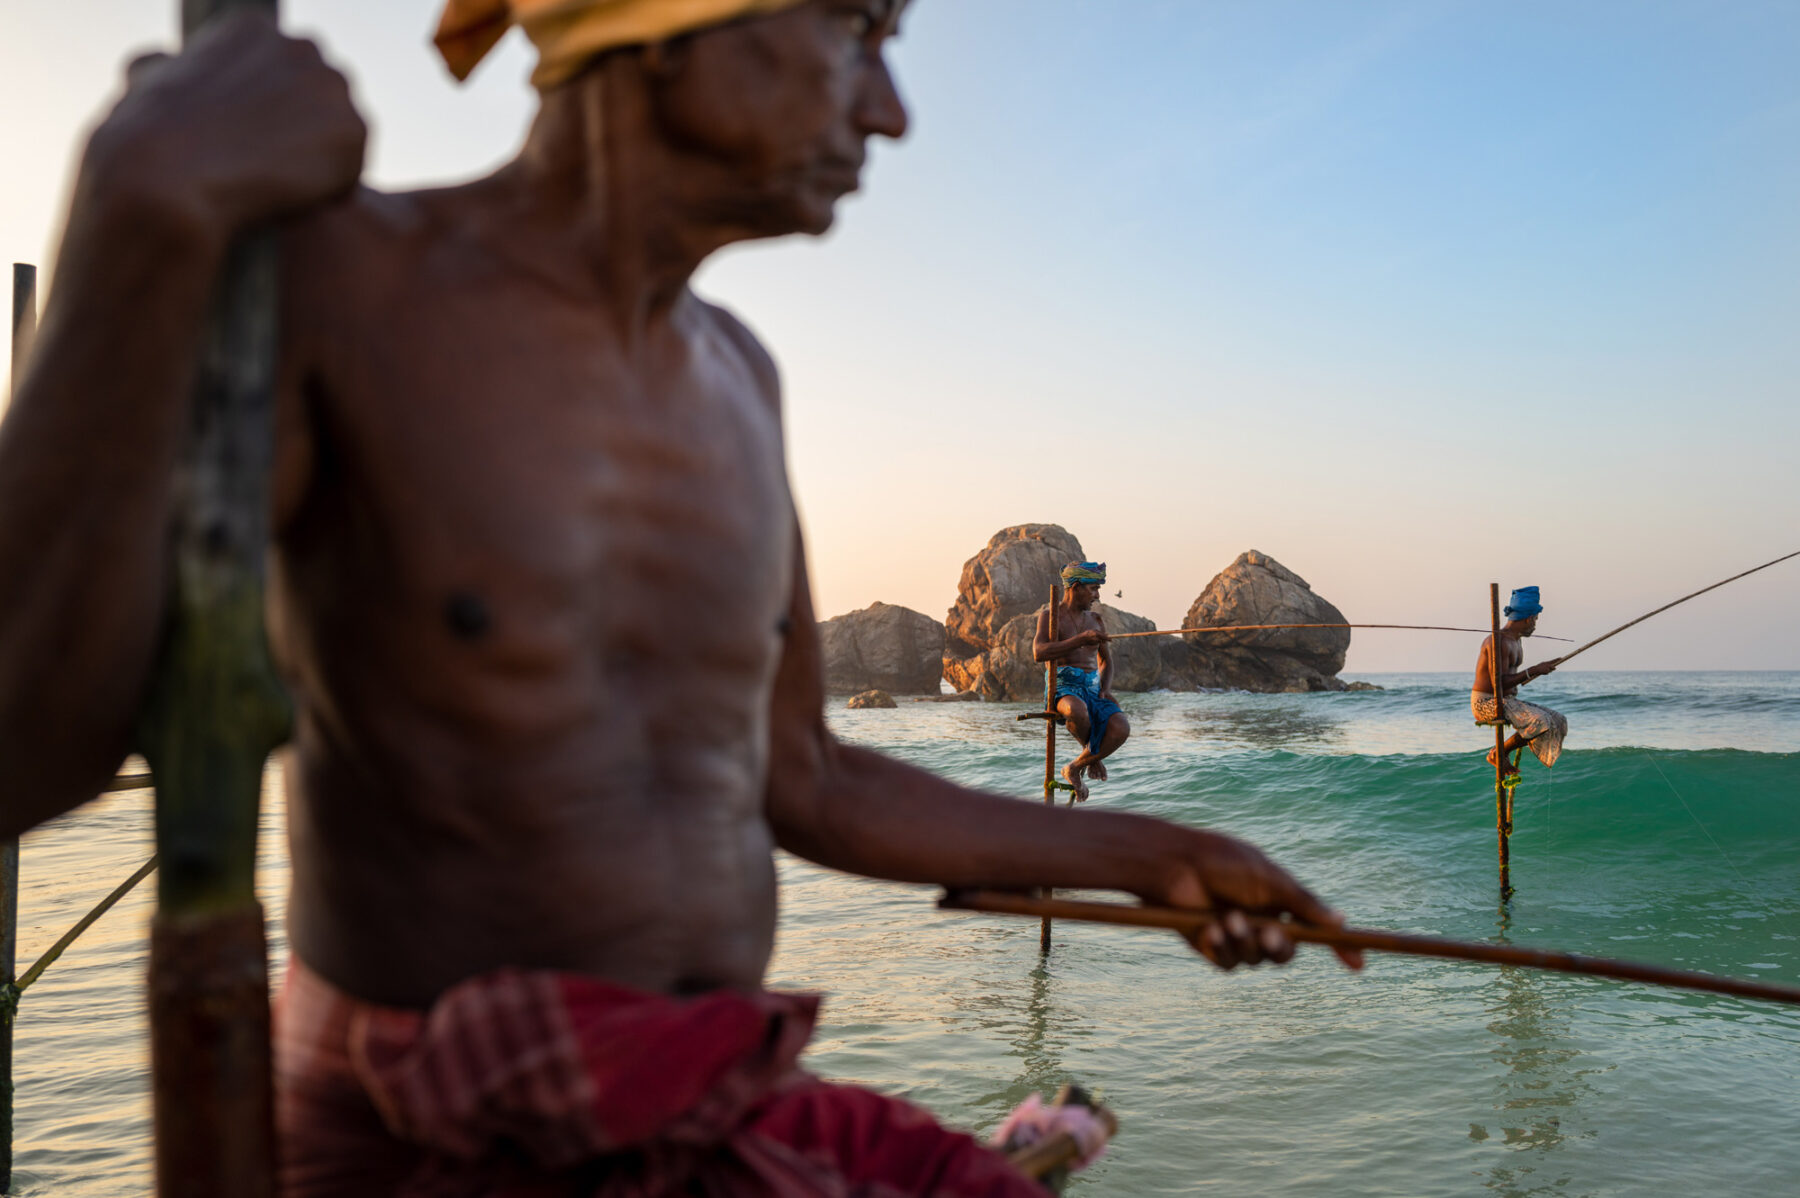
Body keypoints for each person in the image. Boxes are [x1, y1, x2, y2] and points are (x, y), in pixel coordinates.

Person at [0, 2, 1363, 1193]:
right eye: (853, 26)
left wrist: (1162, 855)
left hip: (705, 1095)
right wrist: (131, 221)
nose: (888, 107)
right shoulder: (345, 293)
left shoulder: (740, 378)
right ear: (658, 25)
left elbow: (806, 773)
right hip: (438, 1135)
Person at [1031, 562, 1129, 801]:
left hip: (1094, 689)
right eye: (1093, 589)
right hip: (1064, 689)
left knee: (1121, 727)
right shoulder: (1050, 617)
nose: (1097, 596)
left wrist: (1105, 689)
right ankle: (1093, 755)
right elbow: (1039, 652)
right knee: (1077, 709)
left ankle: (1076, 766)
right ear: (1075, 587)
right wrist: (1080, 639)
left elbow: (1106, 661)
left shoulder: (1096, 619)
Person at [1472, 586, 1567, 776]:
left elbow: (1514, 680)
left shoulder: (1516, 641)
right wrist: (1534, 670)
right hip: (1486, 703)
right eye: (1535, 620)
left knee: (1559, 720)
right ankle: (1499, 753)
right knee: (1541, 721)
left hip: (1508, 701)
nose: (1535, 625)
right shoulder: (1498, 641)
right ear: (1528, 618)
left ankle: (1504, 752)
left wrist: (1540, 669)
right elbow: (1498, 685)